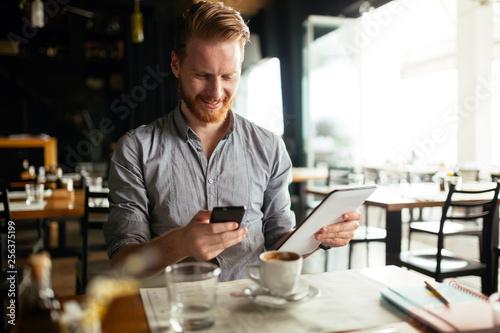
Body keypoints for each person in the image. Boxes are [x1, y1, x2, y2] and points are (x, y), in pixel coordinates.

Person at [103, 1, 360, 281]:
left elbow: (278, 243)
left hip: (252, 307)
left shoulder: (270, 147)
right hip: (175, 311)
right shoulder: (135, 149)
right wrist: (181, 244)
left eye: (228, 76)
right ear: (176, 64)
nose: (216, 92)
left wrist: (319, 235)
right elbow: (123, 263)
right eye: (202, 75)